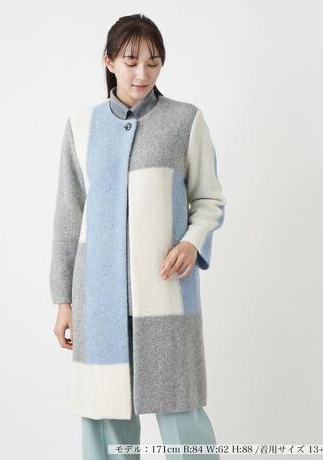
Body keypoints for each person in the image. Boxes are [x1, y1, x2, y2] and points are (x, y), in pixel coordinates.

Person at [50, 13, 227, 459]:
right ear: (109, 61)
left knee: (182, 412)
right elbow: (69, 217)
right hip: (98, 298)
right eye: (131, 62)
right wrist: (64, 300)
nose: (142, 74)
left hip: (164, 293)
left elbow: (209, 200)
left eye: (153, 63)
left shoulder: (185, 121)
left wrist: (191, 241)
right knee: (106, 418)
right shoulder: (81, 127)